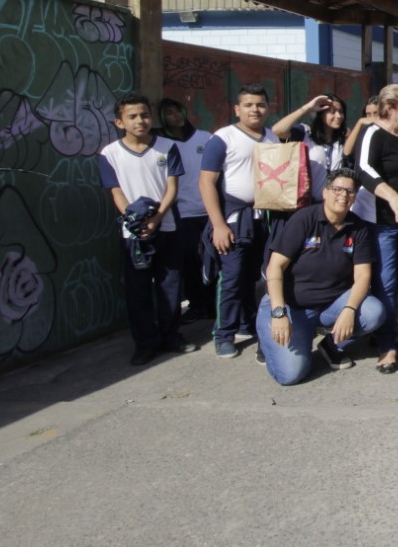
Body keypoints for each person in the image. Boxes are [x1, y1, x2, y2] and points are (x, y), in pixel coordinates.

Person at [257, 169, 386, 384]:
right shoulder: (304, 219)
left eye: (350, 192)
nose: (343, 195)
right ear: (325, 192)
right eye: (337, 189)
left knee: (374, 312)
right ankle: (271, 336)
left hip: (331, 305)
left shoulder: (358, 227)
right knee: (290, 375)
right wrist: (279, 313)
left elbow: (363, 276)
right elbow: (274, 267)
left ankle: (330, 344)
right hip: (290, 306)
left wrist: (349, 310)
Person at [99, 93, 196, 365]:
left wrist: (157, 217)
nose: (140, 120)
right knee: (138, 290)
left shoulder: (167, 147)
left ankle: (171, 337)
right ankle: (145, 343)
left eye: (144, 115)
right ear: (119, 122)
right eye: (132, 116)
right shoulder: (110, 154)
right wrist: (136, 221)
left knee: (170, 286)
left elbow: (172, 188)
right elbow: (116, 193)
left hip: (167, 228)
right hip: (134, 235)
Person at [199, 83, 281, 360]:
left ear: (267, 108)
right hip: (233, 219)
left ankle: (248, 324)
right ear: (237, 109)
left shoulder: (272, 138)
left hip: (263, 219)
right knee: (231, 278)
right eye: (248, 105)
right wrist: (219, 224)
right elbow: (206, 182)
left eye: (260, 104)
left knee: (254, 278)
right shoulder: (223, 138)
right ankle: (224, 334)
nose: (255, 109)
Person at [357, 83, 398, 373]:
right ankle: (386, 345)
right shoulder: (374, 133)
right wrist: (393, 197)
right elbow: (364, 170)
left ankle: (388, 332)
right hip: (382, 223)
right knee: (384, 282)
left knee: (397, 283)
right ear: (392, 106)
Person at [154, 98, 214, 322]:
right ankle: (197, 304)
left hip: (209, 210)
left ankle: (213, 304)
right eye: (169, 113)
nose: (176, 116)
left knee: (213, 261)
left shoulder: (205, 137)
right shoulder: (161, 144)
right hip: (182, 213)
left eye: (178, 110)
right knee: (189, 261)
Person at [274, 94, 348, 202]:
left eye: (341, 112)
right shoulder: (305, 133)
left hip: (333, 206)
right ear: (320, 114)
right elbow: (278, 130)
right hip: (304, 206)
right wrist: (308, 108)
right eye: (332, 112)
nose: (338, 116)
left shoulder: (343, 140)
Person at [343, 95, 381, 225]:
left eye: (375, 113)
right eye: (367, 114)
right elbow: (347, 151)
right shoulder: (364, 131)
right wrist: (360, 123)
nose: (371, 118)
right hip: (364, 191)